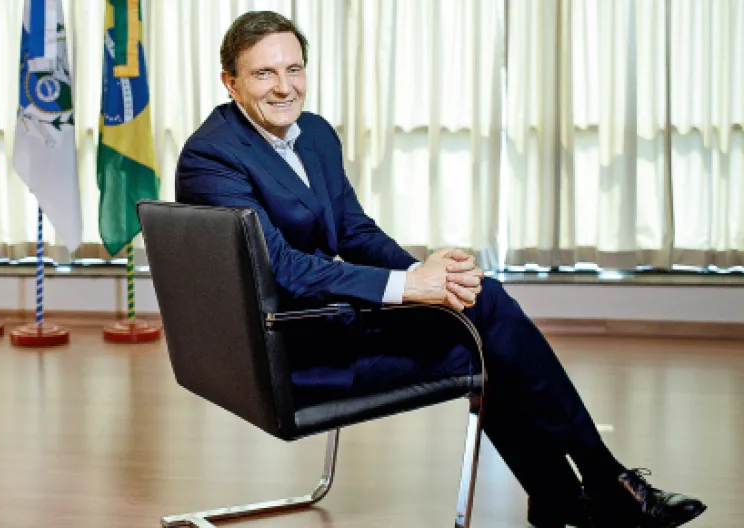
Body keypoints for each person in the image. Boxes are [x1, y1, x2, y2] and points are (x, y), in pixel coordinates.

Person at [173, 10, 707, 528]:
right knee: (489, 339)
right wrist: (411, 286)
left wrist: (429, 277)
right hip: (292, 348)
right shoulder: (211, 157)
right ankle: (593, 486)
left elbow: (354, 231)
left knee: (481, 302)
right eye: (264, 73)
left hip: (332, 318)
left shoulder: (313, 133)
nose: (284, 87)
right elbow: (282, 270)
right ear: (230, 82)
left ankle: (570, 494)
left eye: (294, 69)